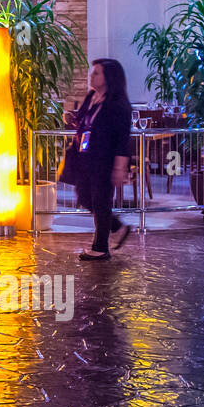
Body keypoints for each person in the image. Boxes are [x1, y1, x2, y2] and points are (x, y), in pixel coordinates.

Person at [65, 58, 133, 261]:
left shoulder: (118, 105)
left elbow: (122, 139)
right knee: (85, 197)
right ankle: (117, 227)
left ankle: (101, 247)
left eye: (96, 73)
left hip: (105, 159)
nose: (91, 76)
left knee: (101, 200)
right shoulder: (92, 97)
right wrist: (72, 119)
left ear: (108, 77)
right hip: (86, 157)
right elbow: (85, 122)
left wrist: (120, 167)